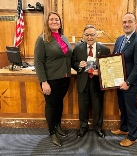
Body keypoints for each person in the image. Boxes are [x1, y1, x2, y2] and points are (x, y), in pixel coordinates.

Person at [34, 12, 73, 147]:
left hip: (65, 78)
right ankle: (52, 132)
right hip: (51, 80)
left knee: (59, 103)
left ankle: (57, 126)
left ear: (60, 22)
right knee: (51, 105)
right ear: (47, 22)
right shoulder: (42, 39)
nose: (54, 21)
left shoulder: (64, 38)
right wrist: (43, 81)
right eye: (51, 19)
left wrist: (80, 66)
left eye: (57, 19)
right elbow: (38, 62)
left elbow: (68, 57)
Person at [110, 13, 137, 147]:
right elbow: (114, 58)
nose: (126, 24)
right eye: (124, 22)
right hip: (119, 82)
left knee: (131, 110)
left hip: (130, 84)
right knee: (123, 107)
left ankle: (132, 137)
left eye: (129, 22)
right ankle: (124, 128)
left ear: (136, 23)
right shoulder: (120, 39)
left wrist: (128, 82)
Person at [71, 25, 111, 138]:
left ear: (96, 35)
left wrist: (101, 71)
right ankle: (83, 127)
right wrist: (79, 65)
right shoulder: (78, 48)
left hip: (97, 82)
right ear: (83, 36)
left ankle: (98, 128)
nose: (89, 37)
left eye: (92, 35)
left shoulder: (104, 49)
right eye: (87, 35)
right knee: (83, 106)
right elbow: (72, 62)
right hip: (83, 82)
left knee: (98, 107)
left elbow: (108, 67)